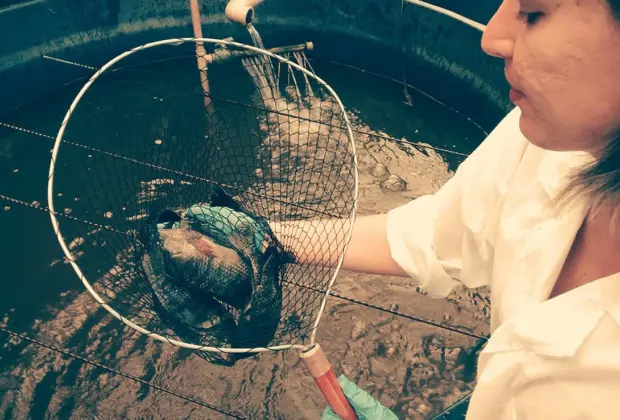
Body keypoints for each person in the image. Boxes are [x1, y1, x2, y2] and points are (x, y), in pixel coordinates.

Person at [277, 0, 620, 417]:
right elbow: (441, 230)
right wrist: (271, 239)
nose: (491, 38)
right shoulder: (555, 137)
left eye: (532, 12)